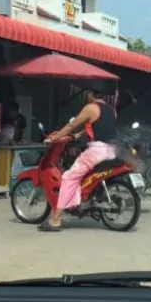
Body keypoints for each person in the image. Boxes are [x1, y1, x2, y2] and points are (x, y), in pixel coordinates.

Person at [38, 88, 118, 232]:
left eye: (87, 94)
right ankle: (83, 202)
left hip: (97, 151)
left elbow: (71, 125)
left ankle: (55, 220)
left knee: (69, 178)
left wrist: (53, 138)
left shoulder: (90, 107)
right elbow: (97, 127)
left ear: (90, 95)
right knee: (84, 174)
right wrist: (78, 136)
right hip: (111, 150)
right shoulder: (111, 110)